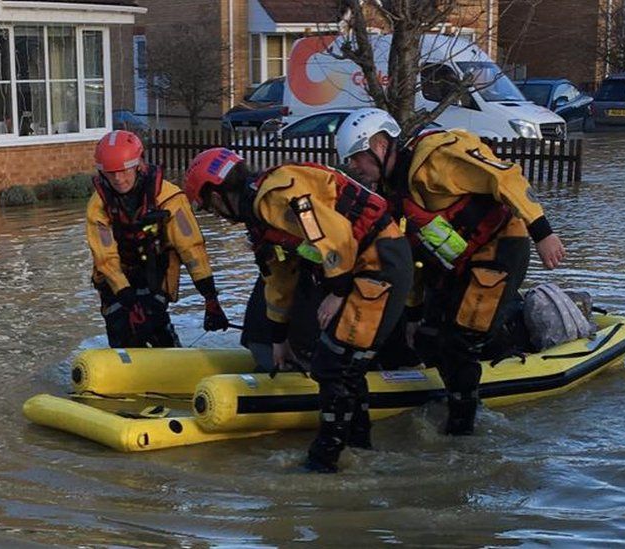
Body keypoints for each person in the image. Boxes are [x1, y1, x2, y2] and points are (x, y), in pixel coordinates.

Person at [335, 108, 566, 435]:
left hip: (500, 248)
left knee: (457, 344)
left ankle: (462, 432)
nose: (354, 167)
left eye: (357, 157)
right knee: (428, 339)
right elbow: (410, 254)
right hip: (458, 262)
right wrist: (413, 312)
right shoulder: (393, 195)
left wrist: (542, 232)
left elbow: (505, 177)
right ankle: (491, 350)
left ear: (381, 144)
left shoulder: (437, 158)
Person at [183, 148, 413, 473]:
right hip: (360, 266)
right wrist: (279, 337)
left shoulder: (276, 195)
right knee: (345, 365)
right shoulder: (260, 216)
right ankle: (358, 449)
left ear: (218, 195)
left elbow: (333, 234)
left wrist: (337, 290)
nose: (216, 215)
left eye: (209, 206)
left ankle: (324, 462)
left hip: (380, 261)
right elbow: (279, 278)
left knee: (332, 364)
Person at [86, 130, 229, 348]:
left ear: (138, 164)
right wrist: (128, 299)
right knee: (119, 325)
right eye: (111, 173)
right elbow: (105, 257)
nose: (118, 179)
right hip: (117, 280)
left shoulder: (170, 198)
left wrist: (210, 298)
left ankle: (171, 355)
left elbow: (191, 249)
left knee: (154, 320)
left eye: (123, 171)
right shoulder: (98, 205)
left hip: (157, 272)